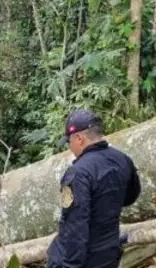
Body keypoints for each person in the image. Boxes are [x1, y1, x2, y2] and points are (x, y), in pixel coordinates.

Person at [47, 109, 141, 268]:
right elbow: (131, 196)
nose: (70, 147)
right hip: (109, 254)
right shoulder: (122, 159)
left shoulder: (78, 174)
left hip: (85, 259)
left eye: (69, 142)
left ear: (79, 138)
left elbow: (76, 227)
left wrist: (70, 265)